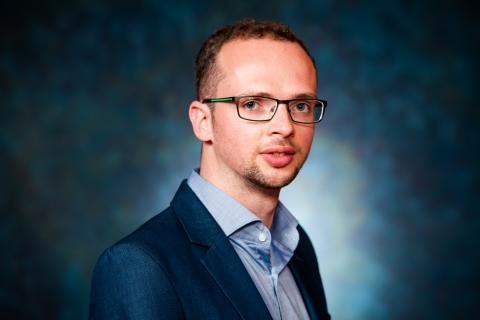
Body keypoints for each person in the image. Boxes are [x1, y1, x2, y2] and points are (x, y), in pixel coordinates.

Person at [89, 19, 330, 320]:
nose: (284, 126)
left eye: (301, 105)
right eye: (253, 103)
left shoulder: (298, 247)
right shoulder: (138, 266)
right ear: (203, 121)